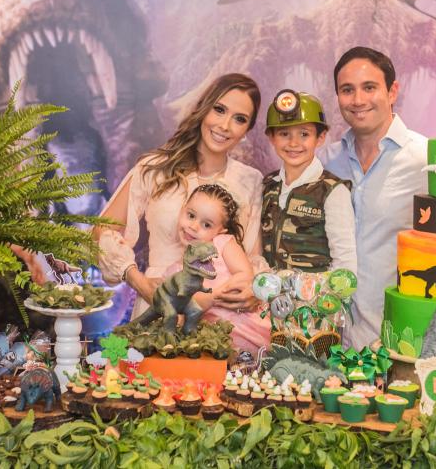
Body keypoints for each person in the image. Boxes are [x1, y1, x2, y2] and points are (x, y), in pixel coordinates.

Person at [96, 73, 266, 325]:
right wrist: (139, 282)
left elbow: (252, 257)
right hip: (159, 304)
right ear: (203, 108)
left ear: (247, 130)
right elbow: (101, 231)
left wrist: (254, 288)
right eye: (219, 110)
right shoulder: (155, 168)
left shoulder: (250, 180)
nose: (225, 125)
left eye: (239, 119)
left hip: (222, 315)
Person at [322, 46, 428, 350]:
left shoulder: (426, 160)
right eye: (347, 90)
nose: (358, 100)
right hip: (328, 344)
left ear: (392, 91)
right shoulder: (325, 162)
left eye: (369, 87)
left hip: (397, 346)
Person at [165, 183, 269, 354]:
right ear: (182, 209)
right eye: (191, 215)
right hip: (210, 339)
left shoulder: (223, 244)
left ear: (221, 230)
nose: (193, 226)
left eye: (207, 225)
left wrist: (218, 294)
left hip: (244, 325)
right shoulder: (175, 272)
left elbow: (245, 275)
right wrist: (211, 298)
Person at [262, 89, 357, 274]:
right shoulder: (267, 185)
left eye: (304, 134)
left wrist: (323, 291)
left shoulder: (332, 191)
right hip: (267, 291)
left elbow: (345, 263)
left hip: (317, 292)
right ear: (272, 138)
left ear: (320, 138)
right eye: (284, 134)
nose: (293, 143)